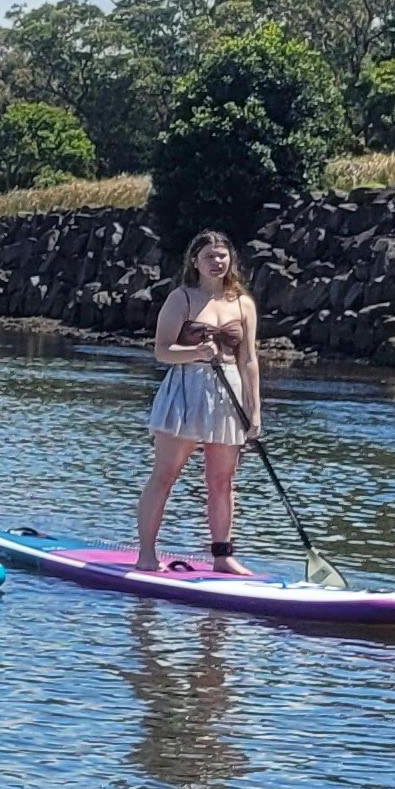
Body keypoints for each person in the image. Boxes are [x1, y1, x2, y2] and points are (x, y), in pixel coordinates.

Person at [135, 228, 261, 572]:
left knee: (222, 480)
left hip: (228, 394)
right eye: (209, 256)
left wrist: (255, 410)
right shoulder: (181, 298)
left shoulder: (243, 303)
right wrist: (194, 352)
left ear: (231, 260)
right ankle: (147, 553)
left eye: (222, 256)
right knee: (165, 475)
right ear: (195, 262)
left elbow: (249, 360)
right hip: (185, 393)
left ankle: (222, 556)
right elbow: (162, 351)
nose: (217, 262)